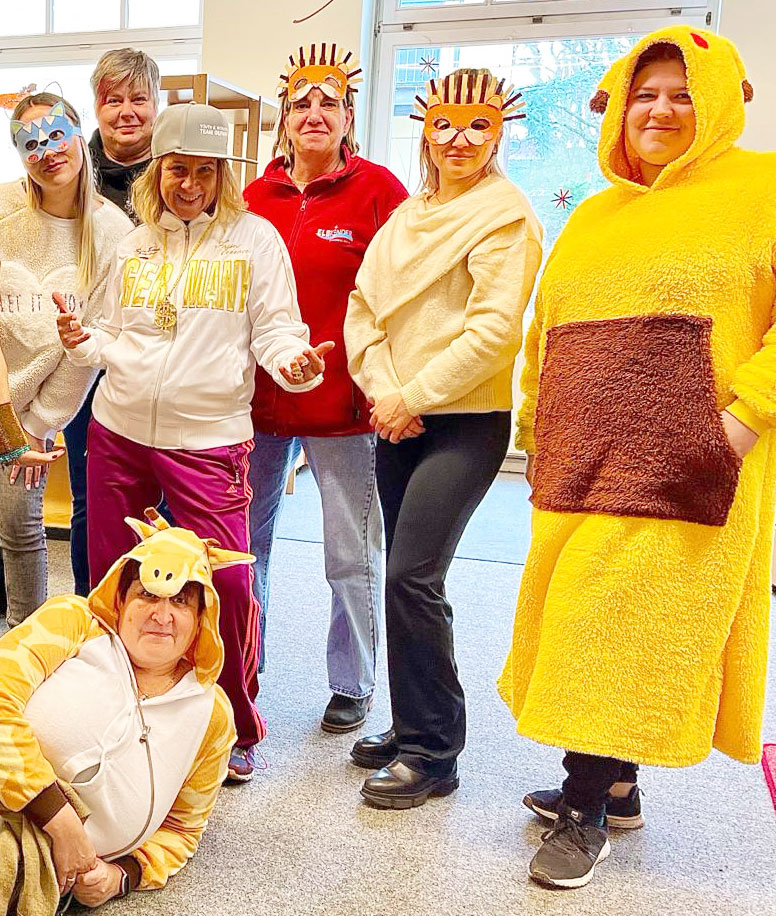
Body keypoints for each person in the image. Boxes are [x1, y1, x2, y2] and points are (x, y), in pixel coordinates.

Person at [497, 26, 776, 889]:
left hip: (692, 466)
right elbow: (551, 336)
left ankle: (583, 811)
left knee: (613, 628)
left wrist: (738, 423)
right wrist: (538, 434)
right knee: (585, 620)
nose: (660, 109)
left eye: (683, 92)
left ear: (723, 101)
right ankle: (616, 789)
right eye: (645, 92)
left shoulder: (762, 191)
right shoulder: (593, 213)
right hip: (581, 465)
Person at [57, 101, 333, 783]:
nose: (190, 185)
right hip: (120, 429)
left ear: (221, 175)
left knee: (230, 583)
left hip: (209, 440)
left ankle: (236, 722)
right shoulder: (131, 242)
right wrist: (81, 340)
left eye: (204, 173)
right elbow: (110, 333)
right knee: (115, 579)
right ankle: (118, 705)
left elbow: (275, 329)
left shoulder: (254, 240)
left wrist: (293, 362)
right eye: (178, 169)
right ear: (159, 168)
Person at [344, 69, 542, 808]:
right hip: (398, 411)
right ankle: (413, 722)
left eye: (477, 126)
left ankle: (434, 753)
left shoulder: (505, 213)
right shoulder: (409, 211)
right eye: (444, 125)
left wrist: (411, 396)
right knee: (407, 575)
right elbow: (364, 306)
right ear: (426, 128)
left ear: (499, 132)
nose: (458, 139)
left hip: (462, 421)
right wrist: (383, 390)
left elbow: (495, 331)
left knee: (410, 577)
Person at [243, 43, 407, 732]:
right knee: (244, 545)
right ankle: (242, 665)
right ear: (283, 119)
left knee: (349, 550)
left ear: (348, 117)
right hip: (255, 402)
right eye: (300, 103)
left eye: (328, 103)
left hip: (344, 405)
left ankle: (353, 682)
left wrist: (393, 384)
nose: (314, 113)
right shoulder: (252, 197)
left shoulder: (380, 191)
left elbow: (405, 296)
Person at [0, 511, 248, 912]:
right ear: (120, 597)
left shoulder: (213, 715)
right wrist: (59, 819)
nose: (162, 616)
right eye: (147, 595)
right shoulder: (74, 622)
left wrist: (123, 875)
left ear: (202, 618)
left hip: (49, 872)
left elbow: (183, 828)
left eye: (181, 601)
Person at [0, 92, 132, 627]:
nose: (46, 150)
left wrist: (34, 426)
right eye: (29, 142)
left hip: (49, 405)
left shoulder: (113, 233)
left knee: (20, 525)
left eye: (55, 134)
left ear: (79, 135)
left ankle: (22, 651)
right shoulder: (7, 217)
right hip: (2, 393)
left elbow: (90, 346)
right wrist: (5, 417)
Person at [63, 48, 161, 599]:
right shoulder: (72, 172)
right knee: (91, 499)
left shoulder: (179, 168)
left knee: (161, 501)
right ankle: (93, 616)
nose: (126, 111)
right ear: (96, 106)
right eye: (112, 99)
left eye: (138, 98)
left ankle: (160, 623)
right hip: (88, 362)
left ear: (157, 103)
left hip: (160, 358)